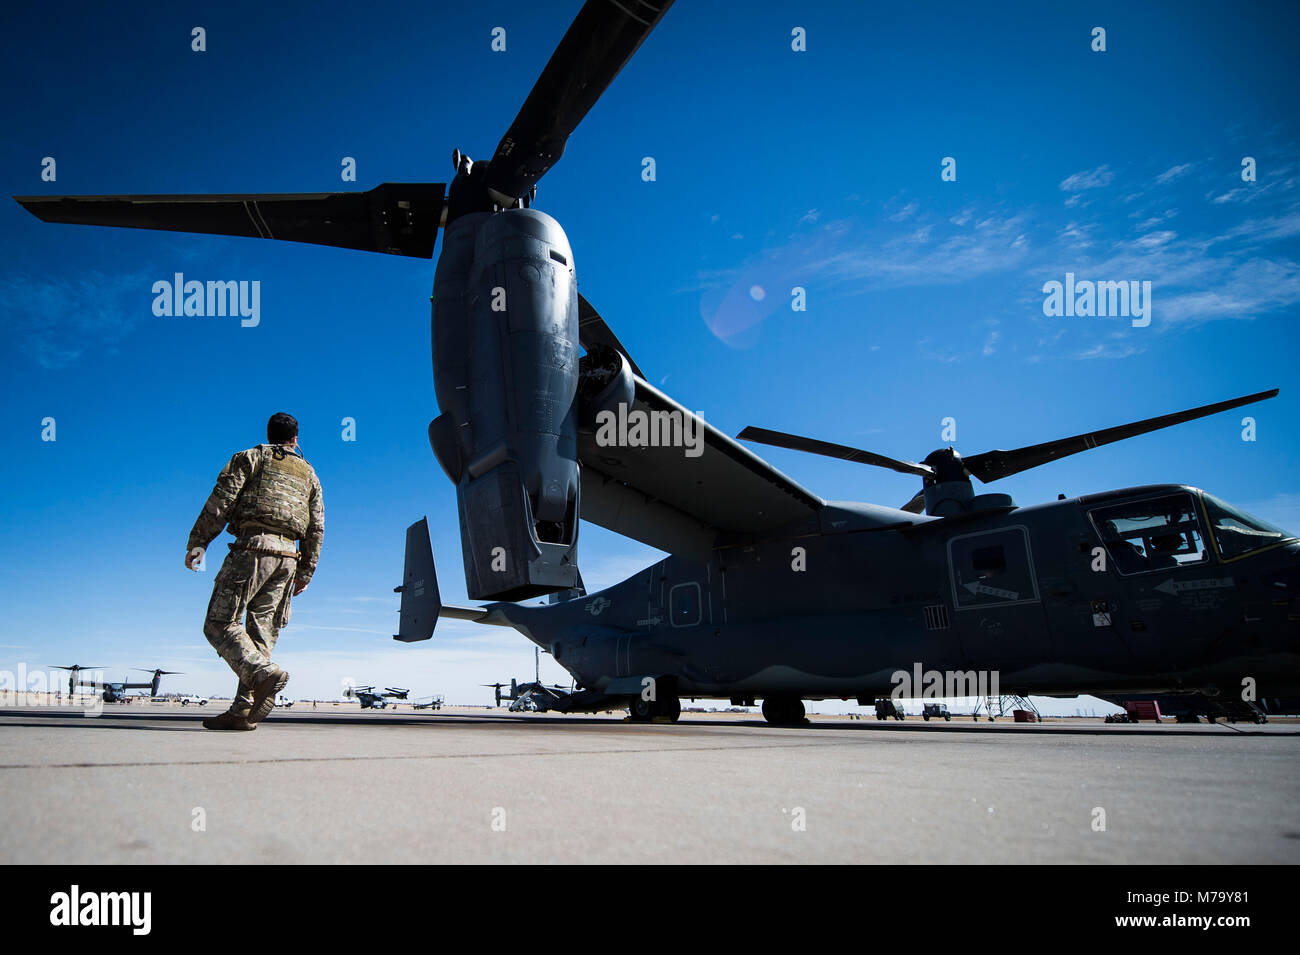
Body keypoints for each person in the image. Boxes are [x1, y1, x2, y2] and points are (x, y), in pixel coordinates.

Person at [185, 413, 323, 730]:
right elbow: (317, 528)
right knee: (260, 635)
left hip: (254, 549)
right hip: (289, 557)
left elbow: (221, 500)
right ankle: (242, 711)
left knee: (219, 622)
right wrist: (306, 571)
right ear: (295, 440)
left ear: (269, 434)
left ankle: (263, 674)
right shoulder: (310, 476)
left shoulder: (251, 457)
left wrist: (199, 542)